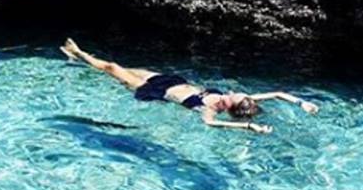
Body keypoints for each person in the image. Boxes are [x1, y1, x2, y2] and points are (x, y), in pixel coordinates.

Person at [60, 38, 319, 134]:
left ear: (230, 106)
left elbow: (211, 125)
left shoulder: (210, 111)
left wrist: (247, 126)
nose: (232, 92)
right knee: (123, 67)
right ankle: (83, 59)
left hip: (156, 92)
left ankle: (78, 53)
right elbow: (276, 94)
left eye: (234, 97)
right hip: (170, 81)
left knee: (113, 68)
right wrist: (301, 102)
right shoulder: (240, 98)